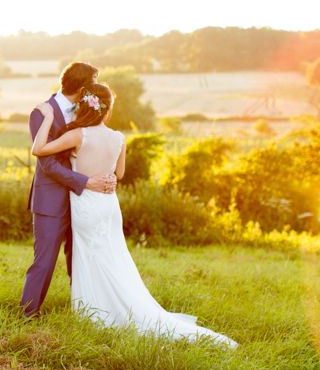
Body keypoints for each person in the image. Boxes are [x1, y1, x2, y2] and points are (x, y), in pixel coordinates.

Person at [31, 82, 238, 348]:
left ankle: (96, 313)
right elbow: (119, 174)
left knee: (89, 256)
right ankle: (121, 305)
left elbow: (38, 150)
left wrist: (48, 117)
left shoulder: (78, 135)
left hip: (86, 203)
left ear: (85, 107)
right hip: (108, 205)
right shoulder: (119, 138)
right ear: (107, 110)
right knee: (113, 255)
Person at [19, 62, 117, 319]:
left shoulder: (87, 108)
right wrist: (86, 181)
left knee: (81, 258)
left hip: (84, 202)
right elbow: (47, 163)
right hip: (51, 199)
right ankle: (28, 314)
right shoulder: (42, 112)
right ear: (84, 87)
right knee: (45, 260)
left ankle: (86, 311)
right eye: (95, 81)